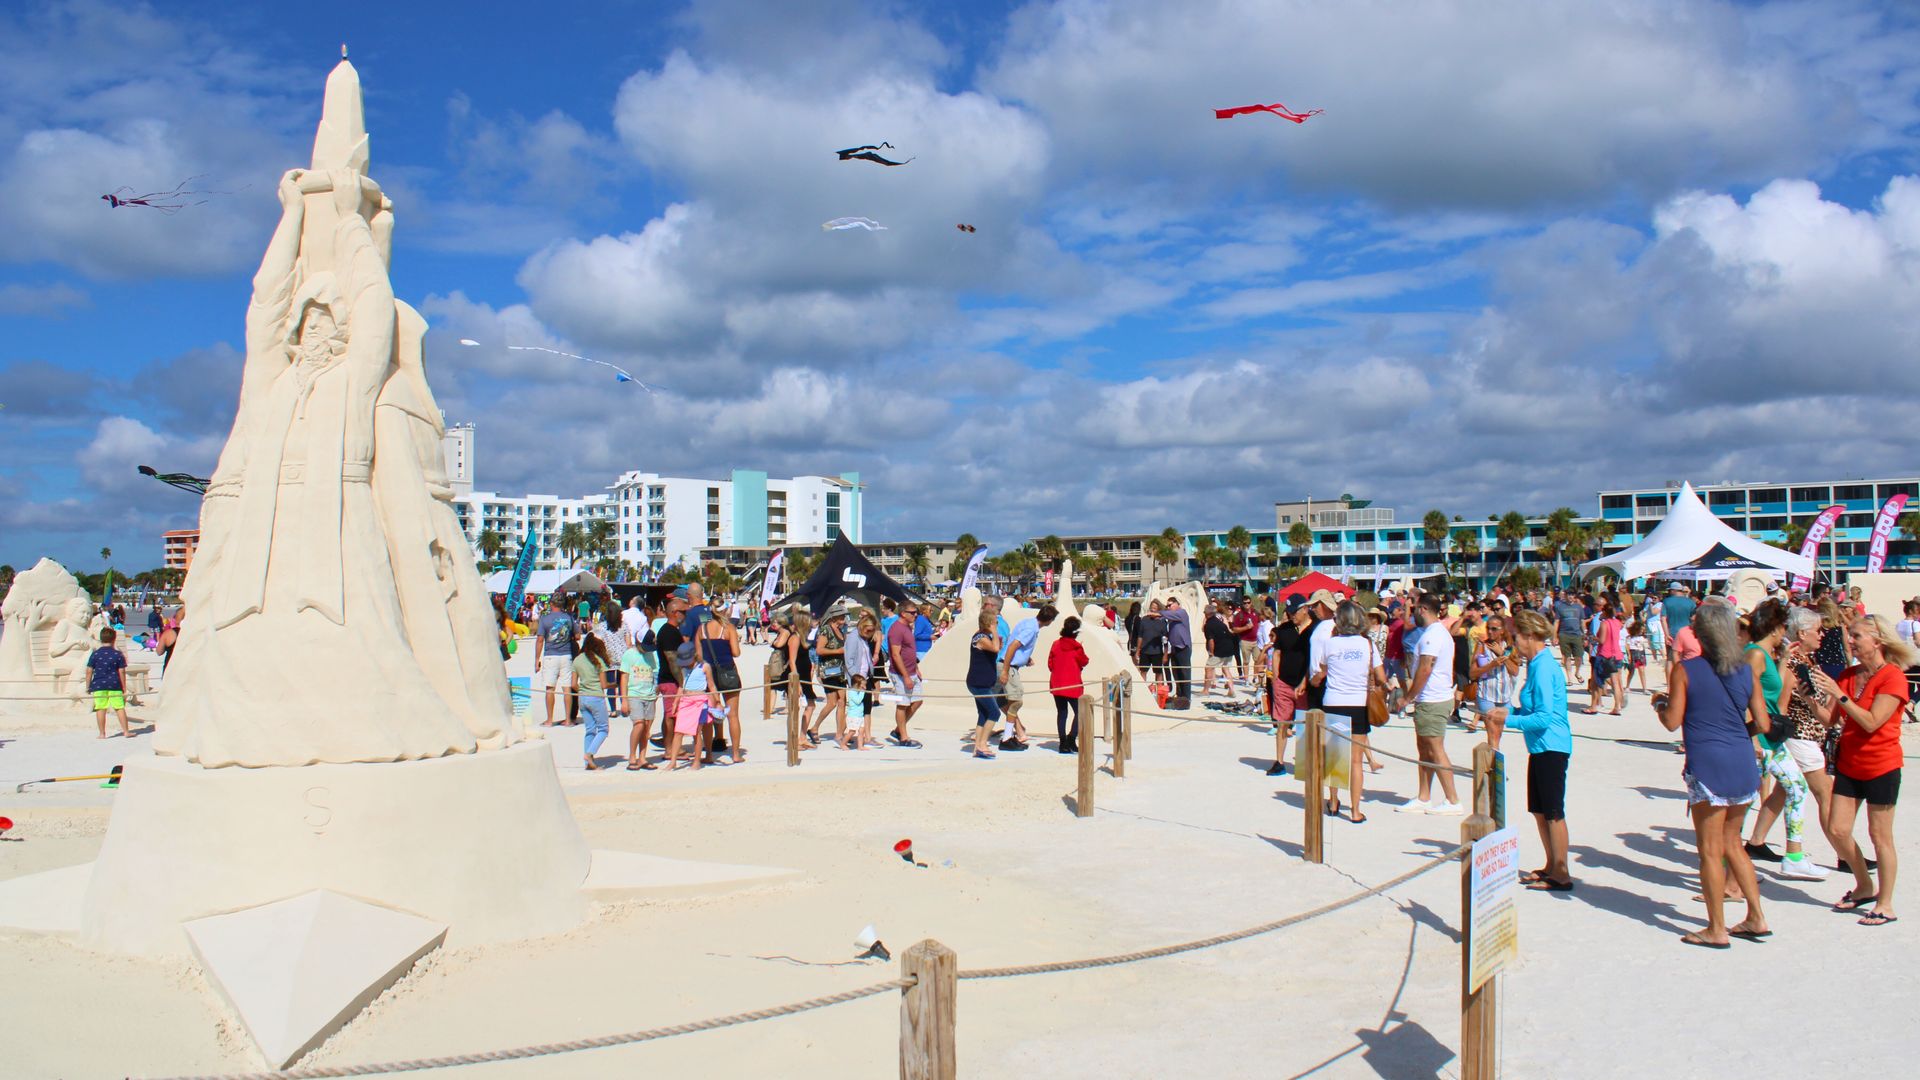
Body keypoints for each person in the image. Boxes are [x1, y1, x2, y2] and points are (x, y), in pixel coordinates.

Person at [1655, 600, 1770, 947]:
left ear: (1700, 633)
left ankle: (1716, 927)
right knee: (1734, 844)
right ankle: (1756, 916)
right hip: (1742, 761)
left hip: (1707, 764)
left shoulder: (1687, 670)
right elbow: (1763, 723)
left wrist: (1660, 705)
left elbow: (1673, 721)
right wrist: (1734, 734)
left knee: (1709, 849)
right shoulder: (1745, 670)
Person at [1809, 614, 1915, 926]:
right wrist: (1812, 701)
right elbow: (1833, 720)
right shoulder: (1848, 674)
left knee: (1880, 836)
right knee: (1837, 829)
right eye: (1849, 636)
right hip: (1849, 763)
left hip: (1882, 764)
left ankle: (1885, 903)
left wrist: (1840, 695)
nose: (1849, 641)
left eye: (1856, 636)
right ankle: (1864, 885)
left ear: (1877, 641)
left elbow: (1871, 722)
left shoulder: (1892, 677)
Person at [1484, 611, 1574, 892]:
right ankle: (1551, 864)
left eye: (1517, 638)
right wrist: (1507, 711)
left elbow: (1544, 717)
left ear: (1531, 637)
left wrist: (1507, 719)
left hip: (1552, 745)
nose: (1514, 645)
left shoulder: (1545, 667)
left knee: (1553, 811)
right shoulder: (1535, 664)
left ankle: (1561, 871)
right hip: (1538, 746)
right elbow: (1530, 710)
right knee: (1538, 809)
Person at [1739, 600, 1826, 879]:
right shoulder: (1755, 654)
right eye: (1783, 626)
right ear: (1775, 627)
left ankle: (1793, 856)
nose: (1785, 631)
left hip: (1771, 738)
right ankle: (1732, 868)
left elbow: (1771, 692)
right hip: (1760, 739)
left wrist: (1785, 657)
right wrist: (1750, 739)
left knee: (1796, 789)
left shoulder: (1765, 654)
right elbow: (1742, 696)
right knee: (1740, 805)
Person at [1311, 600, 1383, 823]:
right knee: (1355, 760)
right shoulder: (1367, 645)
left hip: (1333, 701)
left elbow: (1320, 672)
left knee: (1335, 756)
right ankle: (1355, 811)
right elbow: (1380, 676)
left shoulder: (1330, 644)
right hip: (1357, 703)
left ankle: (1333, 801)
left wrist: (1313, 681)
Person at [1401, 595, 1464, 815]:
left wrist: (1407, 697)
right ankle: (1424, 796)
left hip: (1432, 699)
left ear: (1424, 609)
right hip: (1431, 698)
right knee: (1425, 750)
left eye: (1415, 608)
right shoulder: (1435, 633)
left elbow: (1425, 668)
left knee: (1436, 749)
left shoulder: (1433, 635)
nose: (1412, 612)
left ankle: (1453, 799)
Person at [998, 604, 1058, 751]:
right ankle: (1007, 738)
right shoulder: (1031, 629)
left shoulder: (1028, 622)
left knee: (1005, 700)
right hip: (1008, 666)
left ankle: (1014, 733)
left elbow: (1017, 646)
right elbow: (1012, 646)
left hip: (1008, 664)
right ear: (1049, 620)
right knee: (1016, 701)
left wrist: (1026, 658)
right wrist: (1005, 670)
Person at [1265, 596, 1313, 776]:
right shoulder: (1284, 630)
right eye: (1289, 612)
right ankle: (1279, 761)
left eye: (1294, 612)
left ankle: (1304, 762)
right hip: (1284, 683)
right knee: (1282, 723)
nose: (1291, 615)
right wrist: (1276, 680)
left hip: (1305, 685)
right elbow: (1277, 653)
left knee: (1305, 725)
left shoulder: (1314, 629)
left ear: (1304, 609)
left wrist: (1307, 680)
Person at [699, 603, 745, 763]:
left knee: (709, 715)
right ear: (725, 611)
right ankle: (736, 754)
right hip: (727, 671)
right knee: (733, 715)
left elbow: (698, 655)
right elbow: (736, 652)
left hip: (708, 674)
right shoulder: (728, 628)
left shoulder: (702, 629)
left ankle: (709, 754)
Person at [570, 632, 614, 771]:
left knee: (590, 731)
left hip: (583, 697)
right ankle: (589, 754)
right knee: (603, 729)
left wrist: (583, 691)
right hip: (596, 697)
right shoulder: (598, 661)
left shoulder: (577, 659)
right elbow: (604, 685)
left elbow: (573, 684)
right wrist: (616, 685)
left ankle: (587, 763)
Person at [886, 600, 926, 748]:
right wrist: (906, 676)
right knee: (902, 704)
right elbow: (896, 655)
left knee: (917, 701)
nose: (915, 615)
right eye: (913, 612)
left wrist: (915, 668)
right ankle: (903, 737)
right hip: (900, 673)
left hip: (911, 670)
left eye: (916, 612)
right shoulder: (896, 629)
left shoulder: (908, 627)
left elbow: (910, 650)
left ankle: (898, 729)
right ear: (903, 613)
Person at [1049, 617, 1091, 753]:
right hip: (1072, 684)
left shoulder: (1055, 644)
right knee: (1080, 712)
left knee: (1062, 713)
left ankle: (1063, 743)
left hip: (1057, 683)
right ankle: (1071, 738)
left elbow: (1050, 664)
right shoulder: (1077, 647)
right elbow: (1084, 661)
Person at [622, 622, 660, 770]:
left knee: (647, 728)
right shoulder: (629, 654)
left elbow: (654, 673)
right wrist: (624, 700)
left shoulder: (651, 655)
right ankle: (632, 756)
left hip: (649, 694)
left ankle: (642, 757)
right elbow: (624, 677)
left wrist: (656, 689)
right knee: (638, 724)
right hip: (634, 694)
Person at [534, 599, 578, 727]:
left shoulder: (545, 619)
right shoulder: (569, 617)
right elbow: (578, 635)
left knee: (550, 688)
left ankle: (549, 720)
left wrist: (537, 659)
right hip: (566, 655)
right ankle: (568, 720)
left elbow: (540, 640)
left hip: (551, 655)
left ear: (552, 604)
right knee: (566, 688)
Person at [966, 611, 1002, 759]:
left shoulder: (984, 636)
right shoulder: (980, 638)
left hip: (983, 682)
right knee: (994, 713)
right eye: (995, 622)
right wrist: (994, 631)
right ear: (989, 623)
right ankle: (982, 744)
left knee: (983, 714)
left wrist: (995, 636)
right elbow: (995, 649)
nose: (997, 625)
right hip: (979, 682)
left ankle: (977, 747)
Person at [816, 604, 851, 746]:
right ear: (834, 616)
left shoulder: (841, 630)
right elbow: (819, 650)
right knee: (832, 702)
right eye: (842, 615)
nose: (844, 618)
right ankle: (815, 727)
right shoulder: (826, 630)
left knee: (842, 700)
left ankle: (839, 734)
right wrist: (838, 651)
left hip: (840, 671)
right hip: (829, 671)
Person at [87, 627, 131, 739]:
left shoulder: (96, 654)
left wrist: (88, 686)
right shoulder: (117, 654)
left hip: (99, 684)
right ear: (114, 639)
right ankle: (126, 731)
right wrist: (124, 687)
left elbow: (89, 670)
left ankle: (102, 733)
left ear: (101, 639)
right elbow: (122, 671)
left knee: (101, 708)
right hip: (114, 684)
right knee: (119, 707)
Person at [1202, 602, 1238, 698]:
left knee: (1208, 668)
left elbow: (1211, 640)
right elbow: (1229, 634)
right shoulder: (1220, 622)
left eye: (1204, 612)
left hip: (1219, 650)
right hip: (1229, 648)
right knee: (1226, 669)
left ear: (1207, 614)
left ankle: (1205, 690)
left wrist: (1211, 652)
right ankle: (1231, 690)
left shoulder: (1208, 625)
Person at [1163, 595, 1194, 709]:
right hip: (1174, 647)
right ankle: (1180, 695)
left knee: (1185, 673)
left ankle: (1187, 697)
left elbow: (1165, 615)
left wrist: (1159, 613)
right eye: (1167, 606)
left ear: (1177, 604)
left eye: (1169, 605)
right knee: (1176, 673)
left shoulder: (1182, 612)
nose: (1168, 607)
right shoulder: (1171, 618)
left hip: (1184, 647)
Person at [1553, 589, 1586, 683]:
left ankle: (1577, 672)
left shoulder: (1578, 607)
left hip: (1577, 634)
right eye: (1569, 595)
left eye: (1572, 595)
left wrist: (1585, 633)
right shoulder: (1560, 607)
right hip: (1564, 634)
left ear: (1574, 596)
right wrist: (1554, 636)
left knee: (1579, 656)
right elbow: (1556, 622)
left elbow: (1582, 621)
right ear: (1566, 596)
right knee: (1566, 657)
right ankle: (1569, 678)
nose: (1570, 596)